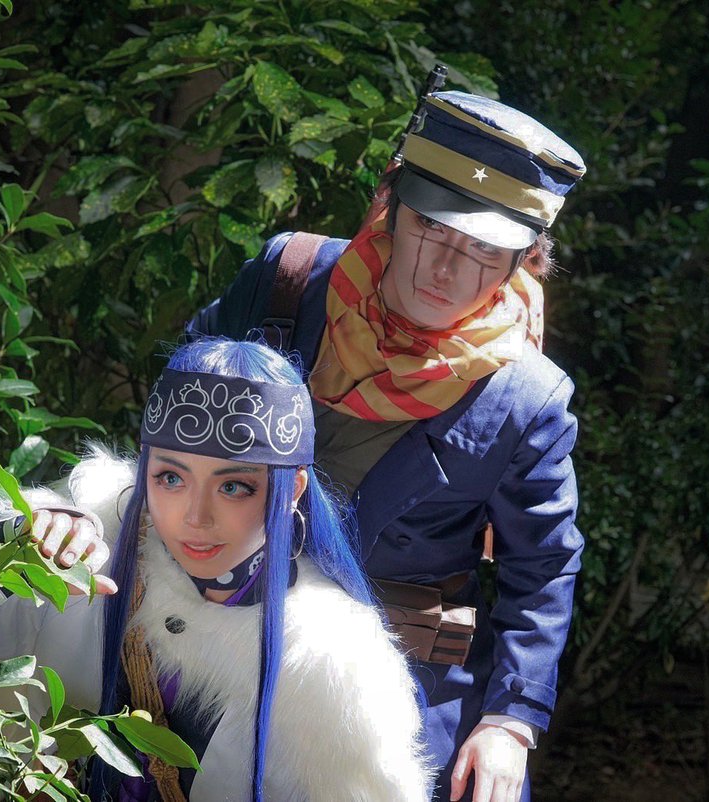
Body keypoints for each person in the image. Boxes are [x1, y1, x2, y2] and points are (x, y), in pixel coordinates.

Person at [181, 90, 589, 802]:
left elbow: (543, 566)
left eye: (484, 250)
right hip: (211, 645)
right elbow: (171, 426)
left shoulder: (526, 398)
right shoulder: (288, 284)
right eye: (431, 226)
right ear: (389, 205)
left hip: (399, 689)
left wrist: (510, 722)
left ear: (524, 260)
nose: (446, 271)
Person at [0, 338, 431, 801]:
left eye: (234, 485)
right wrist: (5, 545)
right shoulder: (80, 557)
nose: (194, 516)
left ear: (291, 490)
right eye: (170, 477)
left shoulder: (332, 663)